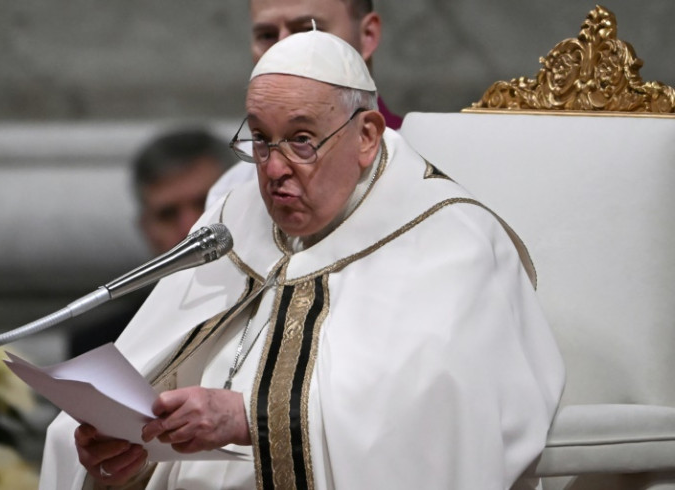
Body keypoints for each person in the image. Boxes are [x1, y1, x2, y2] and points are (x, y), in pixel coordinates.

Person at [41, 31, 564, 489]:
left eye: (301, 140)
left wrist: (253, 420)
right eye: (261, 140)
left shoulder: (449, 240)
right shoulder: (233, 222)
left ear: (366, 136)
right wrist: (125, 456)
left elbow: (444, 426)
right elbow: (162, 382)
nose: (273, 170)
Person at [205, 0, 402, 209]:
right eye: (267, 35)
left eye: (309, 32)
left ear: (367, 35)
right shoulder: (230, 198)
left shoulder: (426, 173)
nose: (284, 50)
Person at [68, 129, 235, 357]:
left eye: (204, 203)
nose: (190, 227)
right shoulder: (102, 346)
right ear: (147, 230)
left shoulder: (289, 311)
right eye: (167, 214)